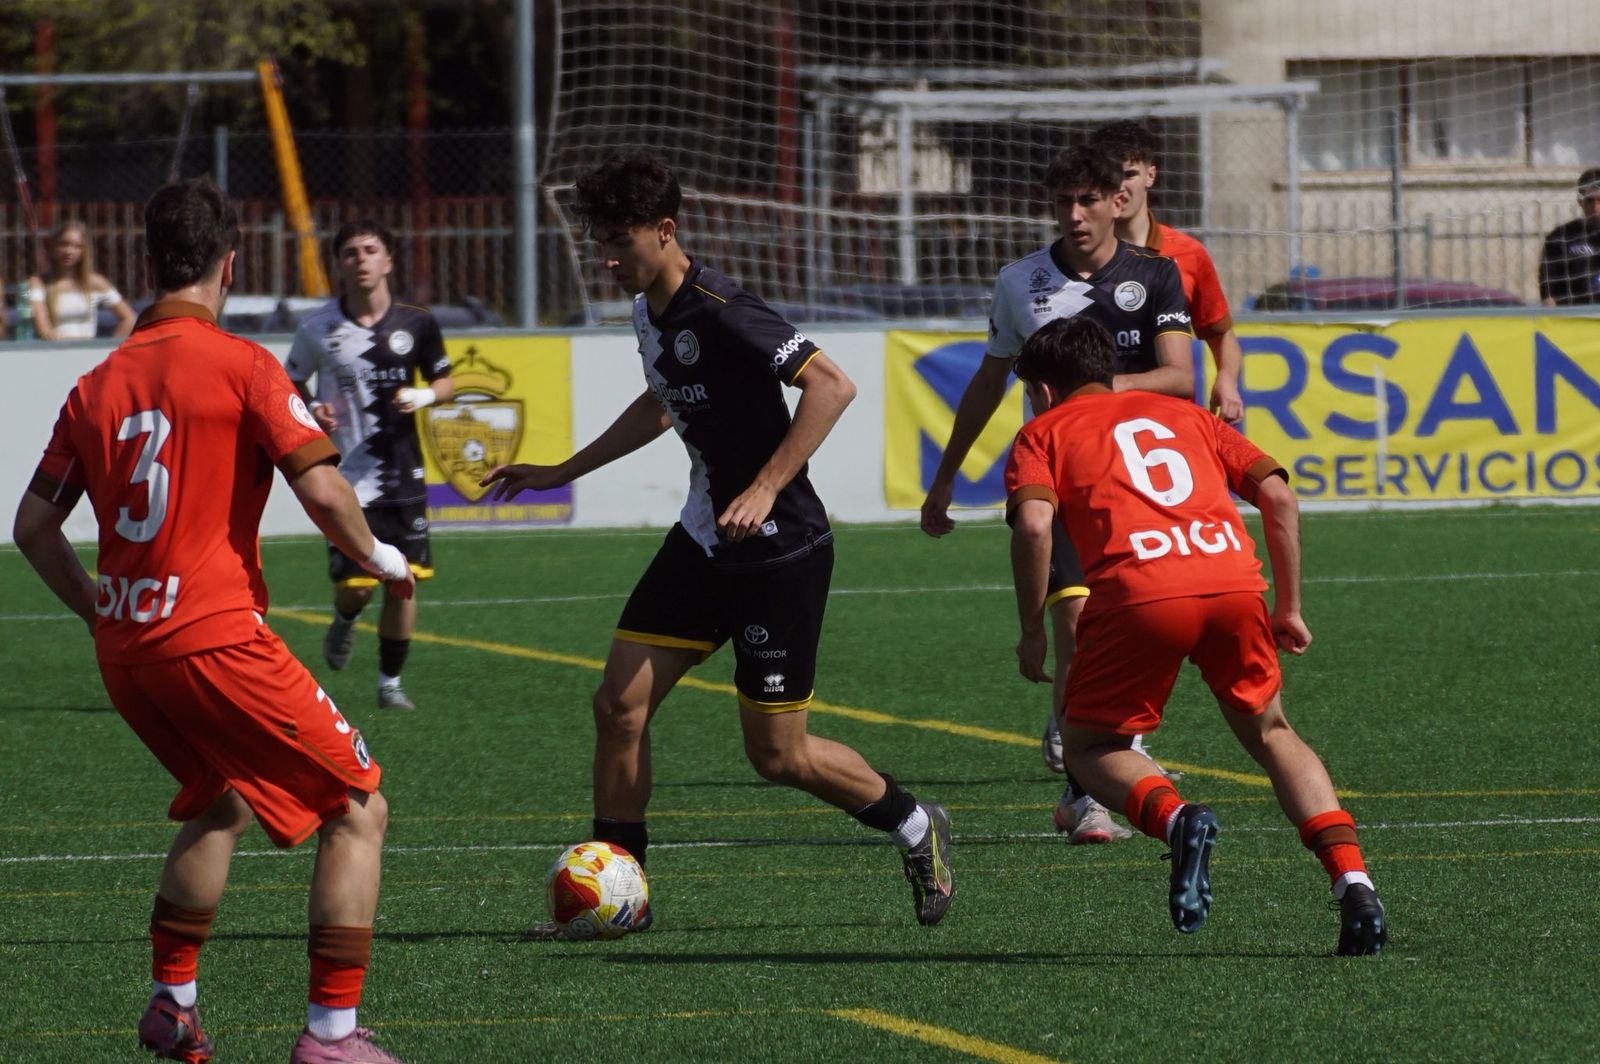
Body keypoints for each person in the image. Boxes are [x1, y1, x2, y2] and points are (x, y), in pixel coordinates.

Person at [482, 150, 954, 934]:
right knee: (618, 707)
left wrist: (766, 484)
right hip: (704, 542)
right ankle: (619, 896)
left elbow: (832, 385)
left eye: (619, 242)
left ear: (665, 232)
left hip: (778, 550)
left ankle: (913, 825)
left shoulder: (726, 307)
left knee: (778, 758)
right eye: (599, 239)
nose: (605, 258)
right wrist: (561, 469)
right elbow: (660, 403)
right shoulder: (647, 312)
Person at [12, 179, 414, 1062]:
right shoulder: (244, 365)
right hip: (215, 639)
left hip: (129, 652)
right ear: (231, 262)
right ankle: (333, 1038)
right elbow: (322, 488)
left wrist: (95, 610)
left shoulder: (95, 384)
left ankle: (173, 1000)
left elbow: (31, 528)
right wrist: (379, 556)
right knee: (358, 807)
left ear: (152, 264)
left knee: (223, 803)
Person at [1004, 315, 1388, 955]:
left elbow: (1036, 528)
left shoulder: (1041, 431)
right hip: (1234, 582)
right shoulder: (1187, 415)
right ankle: (1353, 880)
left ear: (1042, 390)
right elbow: (1279, 498)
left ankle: (1178, 818)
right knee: (1273, 733)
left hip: (1139, 594)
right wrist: (1288, 606)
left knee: (1090, 746)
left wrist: (1031, 631)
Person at [920, 142, 1193, 843]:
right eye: (1062, 202)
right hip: (1061, 477)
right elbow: (989, 378)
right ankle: (1085, 790)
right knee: (1074, 619)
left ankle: (1100, 740)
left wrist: (1095, 392)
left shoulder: (1156, 277)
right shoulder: (1021, 282)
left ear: (1118, 203)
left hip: (1136, 483)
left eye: (1088, 200)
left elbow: (1180, 377)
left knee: (1137, 621)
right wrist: (947, 473)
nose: (1074, 215)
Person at [287, 220, 454, 711]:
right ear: (339, 266)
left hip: (403, 474)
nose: (360, 259)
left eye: (370, 250)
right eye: (349, 252)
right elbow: (290, 383)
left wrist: (423, 394)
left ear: (388, 262)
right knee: (357, 590)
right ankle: (343, 620)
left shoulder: (417, 323)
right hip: (346, 479)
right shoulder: (317, 328)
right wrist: (312, 408)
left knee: (403, 582)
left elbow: (445, 383)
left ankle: (389, 684)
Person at [1089, 120, 1244, 423]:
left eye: (1130, 174)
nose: (1120, 186)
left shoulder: (1188, 253)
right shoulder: (1080, 256)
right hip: (1100, 420)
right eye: (1110, 176)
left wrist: (1227, 380)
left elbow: (1221, 334)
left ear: (1150, 175)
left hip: (1170, 422)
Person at [28, 220, 137, 340]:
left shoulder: (96, 282)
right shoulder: (38, 283)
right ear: (53, 247)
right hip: (55, 351)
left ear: (84, 251)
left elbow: (129, 318)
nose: (69, 251)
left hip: (87, 351)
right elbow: (43, 328)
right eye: (64, 244)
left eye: (77, 246)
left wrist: (110, 349)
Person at [1538, 168, 1600, 306]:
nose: (1595, 208)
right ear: (1580, 202)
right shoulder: (1560, 238)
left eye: (1599, 200)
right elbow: (1548, 294)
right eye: (1589, 201)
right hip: (1574, 316)